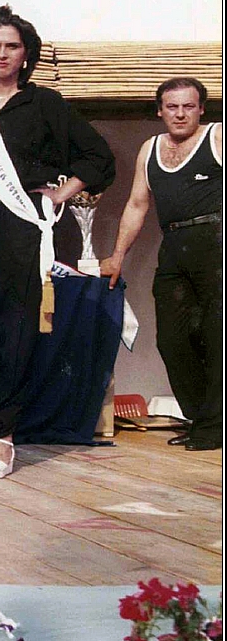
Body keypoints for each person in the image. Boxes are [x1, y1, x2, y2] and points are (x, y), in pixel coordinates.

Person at [0, 6, 116, 477]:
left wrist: (62, 193)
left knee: (17, 329)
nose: (2, 54)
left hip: (23, 225)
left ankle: (1, 436)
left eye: (12, 46)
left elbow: (99, 157)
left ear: (26, 55)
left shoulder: (47, 105)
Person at [101, 78, 221, 452]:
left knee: (217, 339)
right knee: (172, 340)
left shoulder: (217, 137)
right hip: (174, 247)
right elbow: (137, 205)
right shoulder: (149, 149)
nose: (181, 113)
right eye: (172, 107)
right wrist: (117, 256)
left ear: (201, 108)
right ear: (160, 111)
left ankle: (213, 427)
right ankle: (201, 420)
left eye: (189, 106)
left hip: (215, 243)